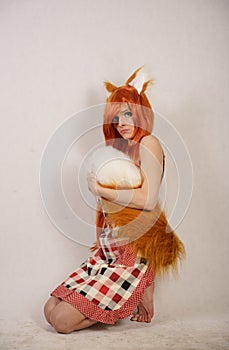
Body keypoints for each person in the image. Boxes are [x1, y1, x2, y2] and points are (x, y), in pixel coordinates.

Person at [44, 67, 185, 333]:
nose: (121, 122)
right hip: (109, 249)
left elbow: (148, 199)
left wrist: (100, 188)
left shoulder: (149, 143)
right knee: (49, 310)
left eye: (128, 113)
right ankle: (125, 295)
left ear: (142, 112)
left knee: (61, 322)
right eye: (117, 116)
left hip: (132, 252)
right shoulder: (120, 149)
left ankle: (139, 288)